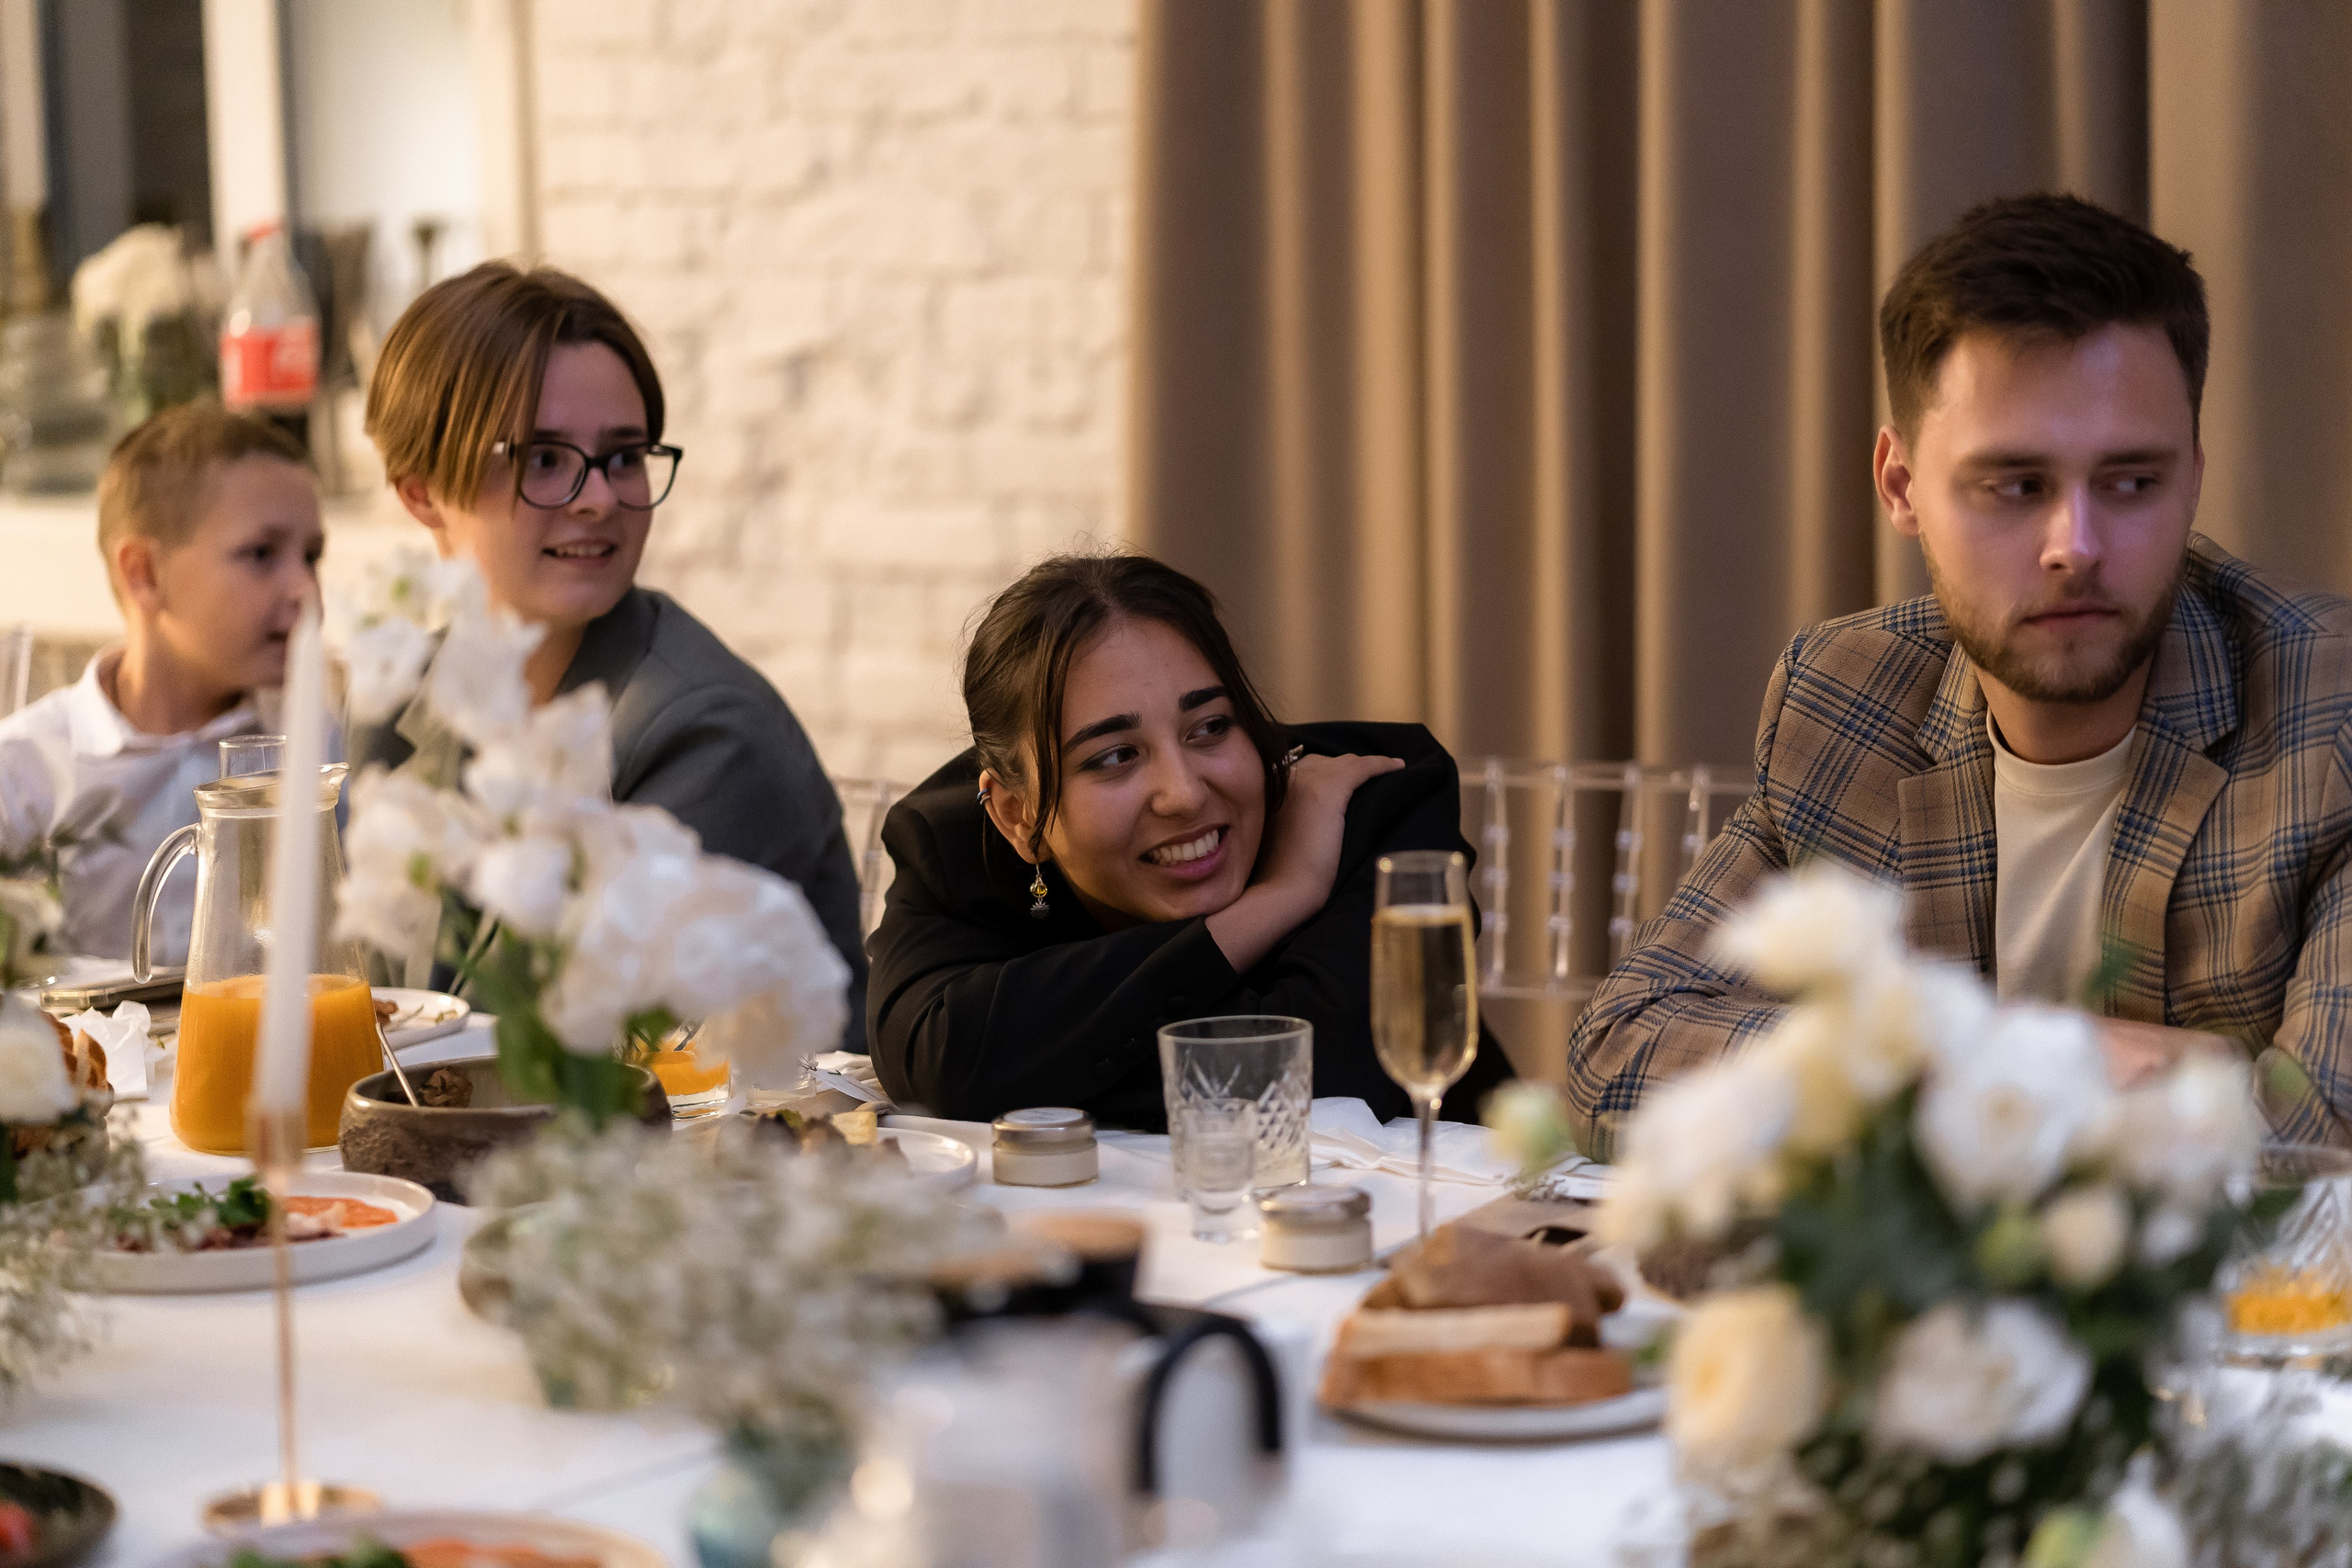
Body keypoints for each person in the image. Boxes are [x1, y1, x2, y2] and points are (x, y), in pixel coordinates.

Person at [1567, 191, 2352, 1154]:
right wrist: (1998, 1057)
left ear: (2192, 474)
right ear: (1901, 487)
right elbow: (1621, 1050)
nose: (2076, 545)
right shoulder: (1842, 697)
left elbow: (2324, 1131)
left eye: (2131, 482)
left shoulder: (2328, 714)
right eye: (2015, 486)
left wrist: (1872, 1073)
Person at [356, 262, 868, 1043]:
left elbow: (558, 1059)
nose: (600, 497)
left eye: (624, 455)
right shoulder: (400, 695)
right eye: (544, 459)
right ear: (420, 490)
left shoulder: (706, 734)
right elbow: (350, 994)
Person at [867, 550, 1515, 1127]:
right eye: (1117, 755)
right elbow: (939, 1055)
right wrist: (1280, 897)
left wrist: (1032, 1070)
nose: (1184, 792)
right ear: (1017, 815)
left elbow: (1332, 1071)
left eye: (1209, 726)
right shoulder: (953, 840)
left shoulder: (1371, 799)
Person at [0, 405, 322, 963]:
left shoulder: (320, 750)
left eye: (312, 556)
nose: (305, 590)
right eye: (262, 554)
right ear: (143, 575)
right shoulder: (26, 769)